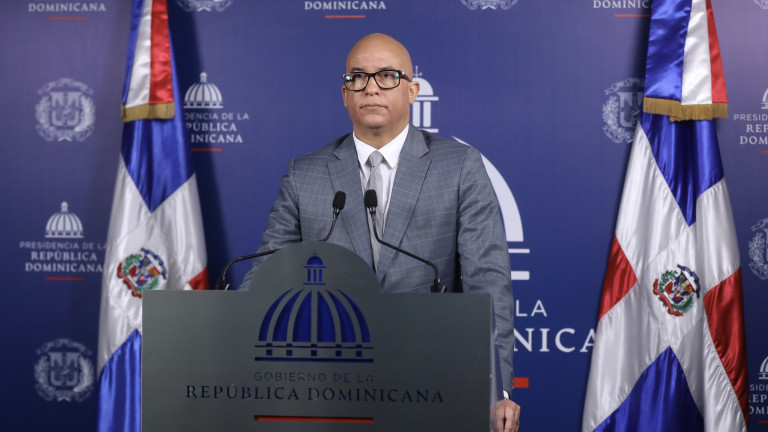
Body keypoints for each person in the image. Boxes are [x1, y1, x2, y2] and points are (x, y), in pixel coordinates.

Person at [241, 33, 520, 432]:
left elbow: (487, 282)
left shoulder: (459, 166)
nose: (371, 88)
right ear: (344, 94)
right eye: (358, 77)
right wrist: (231, 345)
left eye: (387, 76)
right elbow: (265, 274)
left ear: (412, 91)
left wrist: (497, 388)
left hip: (434, 379)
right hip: (328, 385)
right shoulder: (305, 173)